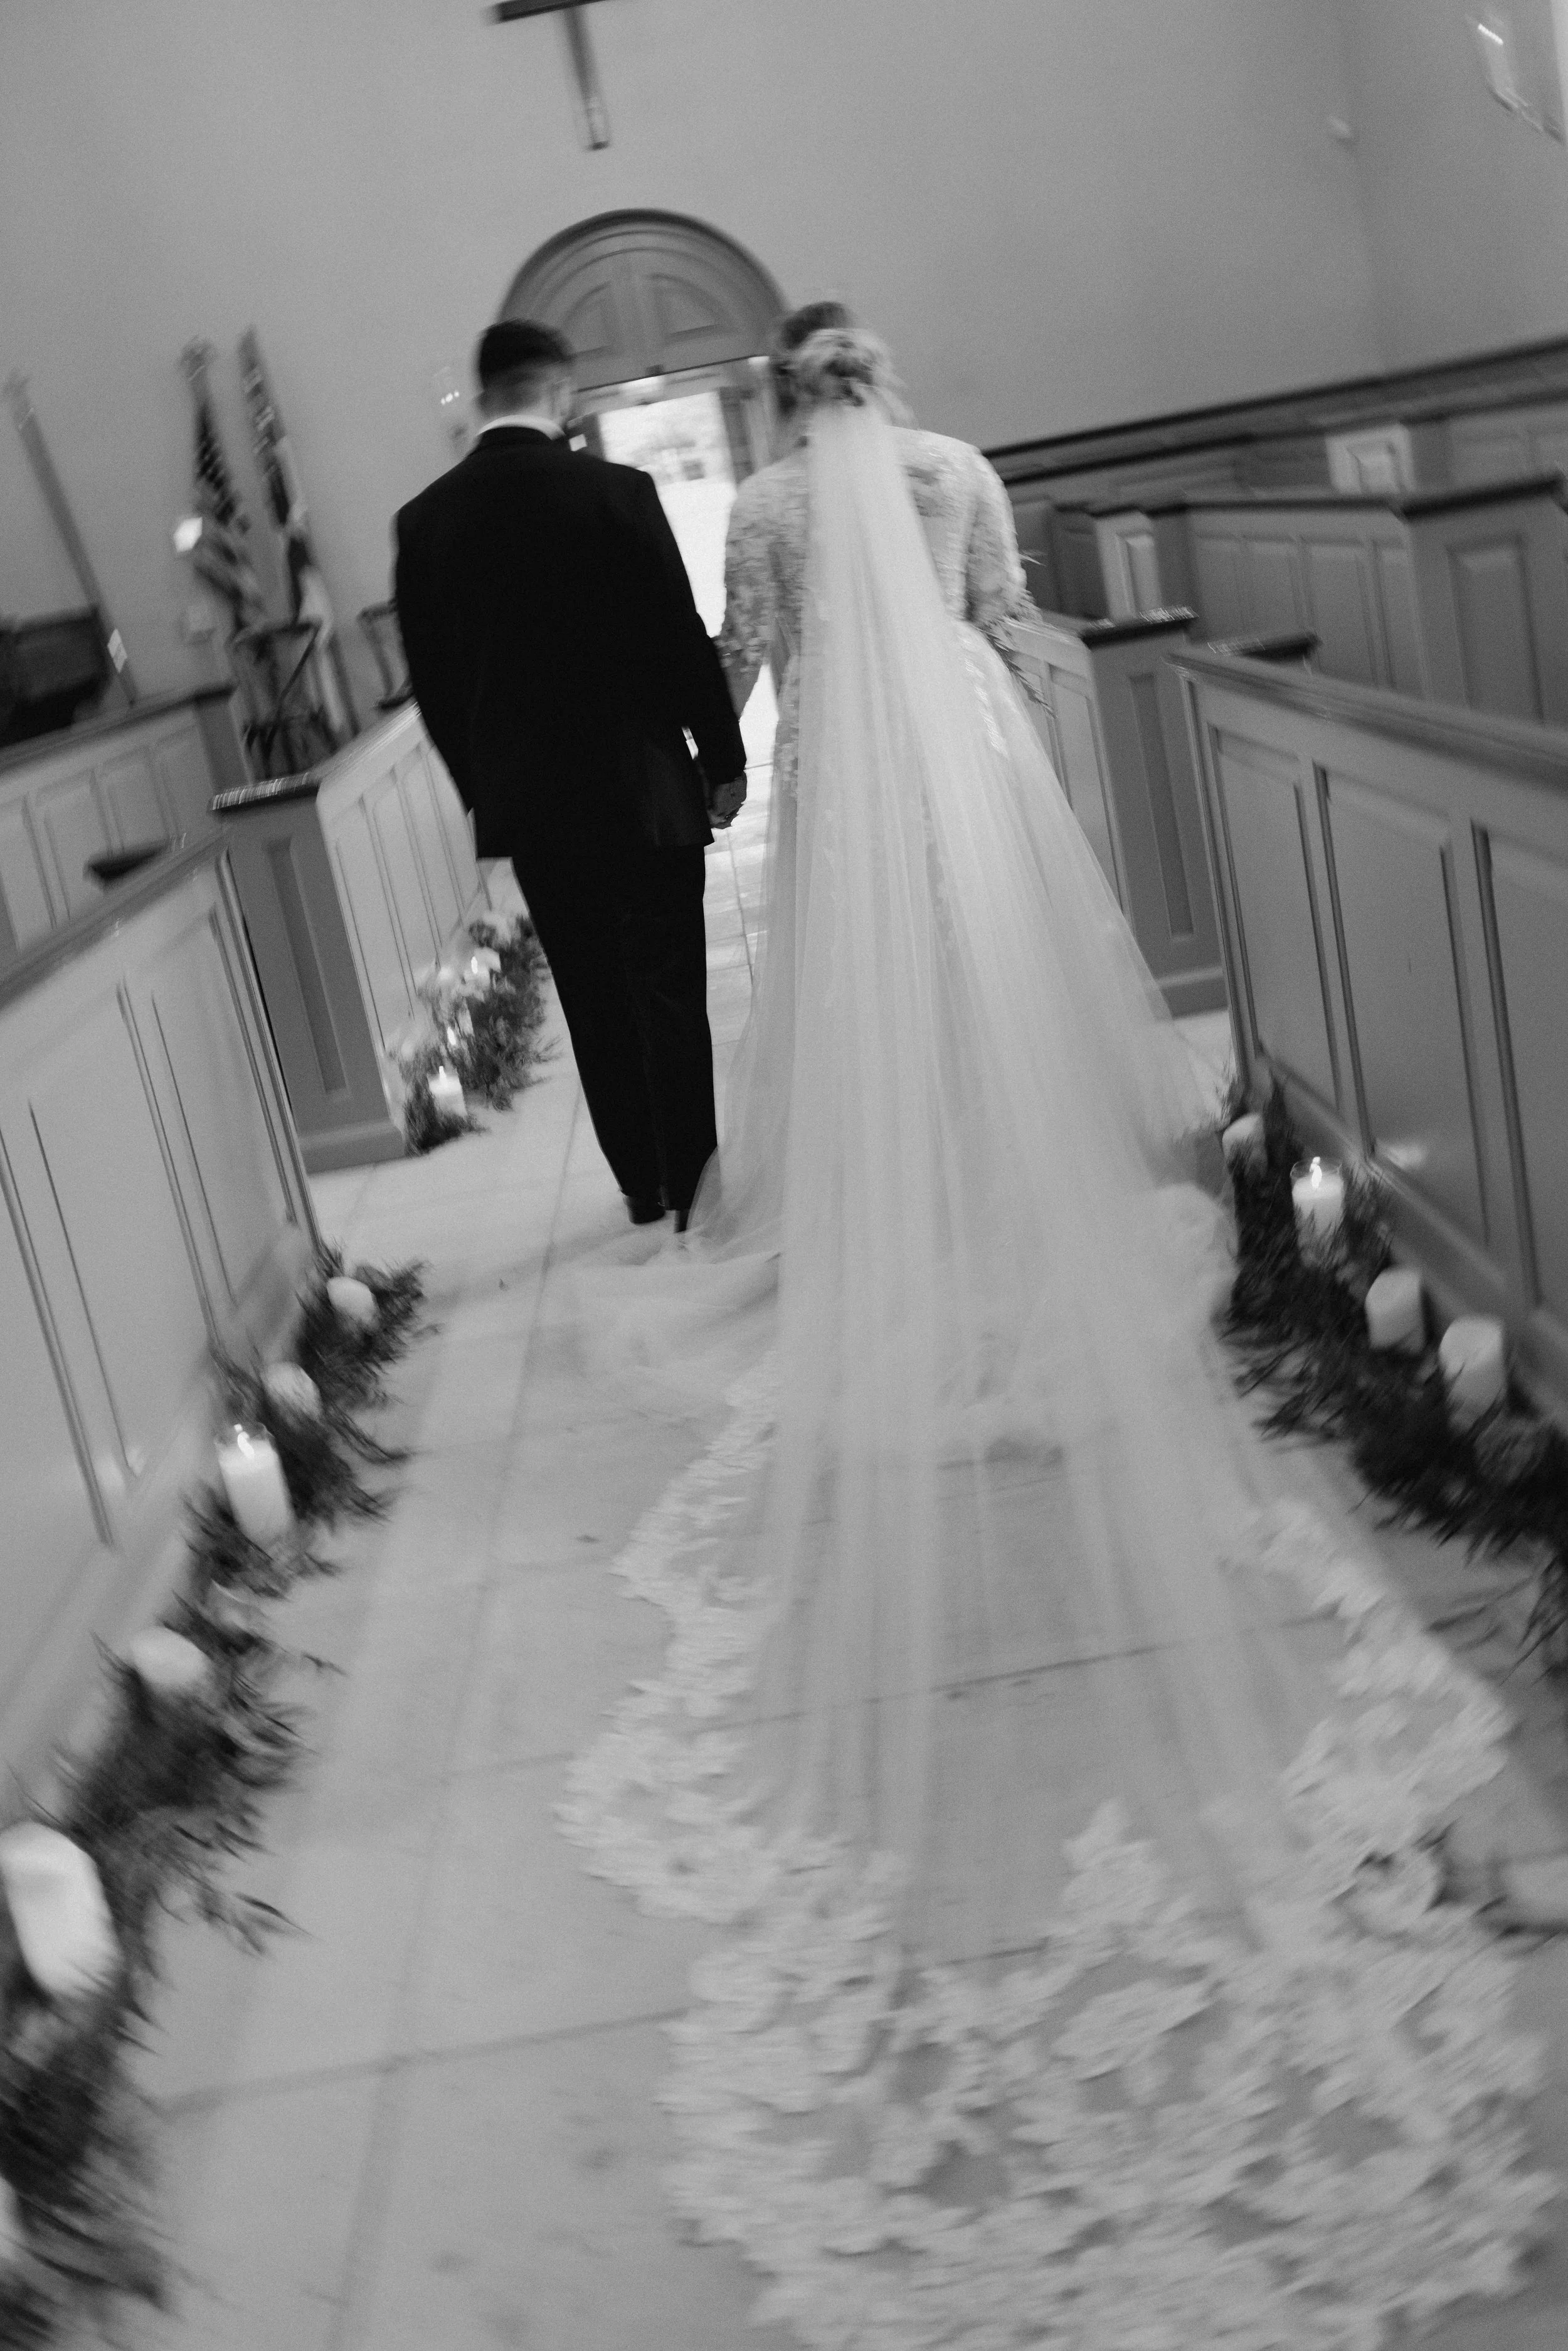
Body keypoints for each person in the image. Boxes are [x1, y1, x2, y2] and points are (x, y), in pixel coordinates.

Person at [560, 316, 1552, 2344]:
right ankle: (1020, 1195)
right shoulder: (964, 473)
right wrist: (997, 710)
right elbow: (1012, 626)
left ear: (780, 403)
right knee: (1006, 1008)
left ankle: (892, 1202)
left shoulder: (752, 506)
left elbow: (751, 667)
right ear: (885, 385)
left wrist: (737, 743)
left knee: (872, 1028)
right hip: (973, 781)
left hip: (845, 792)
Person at [393, 319, 748, 1227]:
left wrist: (487, 788)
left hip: (535, 808)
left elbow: (434, 691)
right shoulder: (616, 492)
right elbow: (678, 634)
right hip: (644, 791)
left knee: (591, 996)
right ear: (559, 392)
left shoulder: (426, 521)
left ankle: (643, 1183)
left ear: (484, 397)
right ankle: (696, 1189)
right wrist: (722, 754)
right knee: (667, 989)